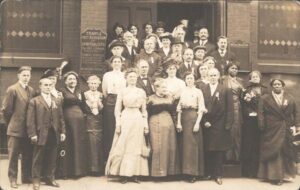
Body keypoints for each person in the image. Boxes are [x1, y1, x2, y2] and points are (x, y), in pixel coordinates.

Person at [105, 68, 149, 183]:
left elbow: (144, 111)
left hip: (137, 118)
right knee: (124, 144)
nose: (132, 79)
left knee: (136, 145)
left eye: (134, 77)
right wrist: (118, 124)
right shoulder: (122, 91)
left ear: (137, 78)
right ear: (126, 78)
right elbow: (117, 109)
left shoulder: (141, 92)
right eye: (130, 77)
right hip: (126, 117)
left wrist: (145, 125)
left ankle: (134, 174)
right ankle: (123, 174)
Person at [257, 77, 299, 185]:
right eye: (275, 84)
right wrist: (261, 125)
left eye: (279, 84)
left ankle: (284, 175)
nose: (277, 86)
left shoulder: (290, 98)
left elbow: (296, 112)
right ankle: (273, 176)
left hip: (285, 127)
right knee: (273, 151)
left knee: (284, 150)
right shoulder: (265, 98)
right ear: (272, 86)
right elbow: (260, 113)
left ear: (282, 86)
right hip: (271, 128)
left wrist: (297, 125)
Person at [27, 77, 66, 190]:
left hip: (54, 133)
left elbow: (61, 117)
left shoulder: (56, 100)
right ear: (40, 86)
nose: (48, 87)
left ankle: (50, 178)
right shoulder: (34, 101)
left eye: (50, 85)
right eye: (45, 85)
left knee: (52, 157)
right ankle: (36, 180)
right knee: (38, 157)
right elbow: (30, 120)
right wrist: (32, 134)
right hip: (40, 134)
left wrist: (63, 131)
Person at [2, 66, 35, 188]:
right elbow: (6, 110)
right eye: (24, 75)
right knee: (13, 156)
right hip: (15, 129)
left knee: (27, 154)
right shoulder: (12, 89)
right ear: (18, 76)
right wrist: (11, 123)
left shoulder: (31, 90)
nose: (26, 77)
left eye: (28, 75)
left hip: (28, 129)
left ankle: (26, 177)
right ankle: (13, 179)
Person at [201, 68, 233, 185]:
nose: (213, 77)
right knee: (208, 148)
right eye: (211, 75)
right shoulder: (203, 88)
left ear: (218, 76)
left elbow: (230, 108)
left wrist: (228, 124)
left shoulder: (225, 89)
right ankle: (208, 173)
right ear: (208, 76)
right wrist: (204, 121)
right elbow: (200, 106)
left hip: (220, 123)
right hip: (206, 123)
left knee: (218, 150)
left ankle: (218, 174)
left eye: (215, 75)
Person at [176, 72, 206, 183]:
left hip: (193, 118)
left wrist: (198, 123)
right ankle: (185, 172)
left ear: (194, 80)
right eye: (187, 78)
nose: (189, 80)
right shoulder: (182, 91)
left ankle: (193, 173)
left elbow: (201, 108)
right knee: (184, 146)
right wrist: (178, 123)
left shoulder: (198, 92)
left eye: (191, 78)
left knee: (192, 146)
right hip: (183, 119)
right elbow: (178, 108)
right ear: (185, 80)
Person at [147, 78, 180, 177]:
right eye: (163, 87)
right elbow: (148, 112)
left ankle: (170, 172)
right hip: (155, 123)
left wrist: (176, 123)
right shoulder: (151, 98)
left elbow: (174, 112)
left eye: (166, 87)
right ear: (157, 88)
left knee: (170, 146)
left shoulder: (170, 97)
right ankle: (157, 173)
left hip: (169, 123)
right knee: (157, 147)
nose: (165, 89)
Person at [61, 71, 88, 178]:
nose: (73, 81)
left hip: (79, 122)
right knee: (69, 144)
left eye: (74, 79)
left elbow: (83, 106)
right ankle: (67, 172)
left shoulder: (79, 91)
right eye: (70, 79)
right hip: (68, 121)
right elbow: (61, 107)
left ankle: (78, 171)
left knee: (78, 144)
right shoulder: (62, 91)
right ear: (66, 81)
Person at [241, 71, 267, 178]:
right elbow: (243, 104)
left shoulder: (265, 90)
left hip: (263, 120)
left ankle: (261, 171)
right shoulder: (246, 90)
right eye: (253, 77)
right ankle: (249, 172)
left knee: (260, 144)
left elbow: (269, 103)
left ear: (260, 78)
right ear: (250, 79)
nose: (255, 78)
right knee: (249, 144)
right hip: (250, 121)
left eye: (257, 76)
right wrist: (250, 112)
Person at [102, 55, 126, 161]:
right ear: (111, 64)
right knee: (111, 127)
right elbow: (105, 91)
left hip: (123, 100)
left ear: (122, 63)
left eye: (118, 61)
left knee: (122, 125)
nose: (116, 63)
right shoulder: (107, 75)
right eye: (114, 61)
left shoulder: (124, 75)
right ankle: (110, 157)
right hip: (111, 100)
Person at [221, 62, 244, 163]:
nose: (234, 70)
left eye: (236, 69)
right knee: (227, 131)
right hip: (226, 107)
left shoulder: (241, 81)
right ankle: (226, 158)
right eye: (232, 68)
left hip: (237, 107)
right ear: (227, 69)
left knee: (236, 131)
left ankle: (236, 157)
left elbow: (242, 96)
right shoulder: (222, 79)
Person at [82, 75, 105, 175]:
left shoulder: (101, 95)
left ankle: (98, 169)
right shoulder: (84, 94)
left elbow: (102, 110)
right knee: (89, 143)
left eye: (95, 83)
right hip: (89, 120)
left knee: (98, 144)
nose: (93, 85)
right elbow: (83, 107)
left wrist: (99, 103)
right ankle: (89, 169)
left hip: (98, 121)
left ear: (99, 84)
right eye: (91, 83)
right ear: (88, 84)